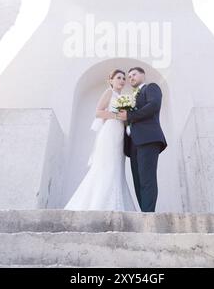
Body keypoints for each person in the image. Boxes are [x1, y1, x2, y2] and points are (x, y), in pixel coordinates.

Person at [64, 69, 137, 211]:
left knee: (117, 166)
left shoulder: (123, 98)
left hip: (119, 134)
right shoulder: (109, 92)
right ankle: (98, 203)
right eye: (118, 78)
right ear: (111, 80)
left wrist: (127, 119)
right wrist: (117, 116)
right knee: (106, 166)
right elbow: (98, 112)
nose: (122, 80)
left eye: (123, 78)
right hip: (109, 132)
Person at [118, 67, 167, 212]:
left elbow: (153, 105)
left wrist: (130, 116)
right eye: (129, 76)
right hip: (133, 143)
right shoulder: (131, 96)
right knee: (137, 181)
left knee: (147, 178)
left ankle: (148, 214)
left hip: (148, 139)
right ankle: (144, 213)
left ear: (143, 75)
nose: (131, 77)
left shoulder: (151, 88)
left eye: (134, 74)